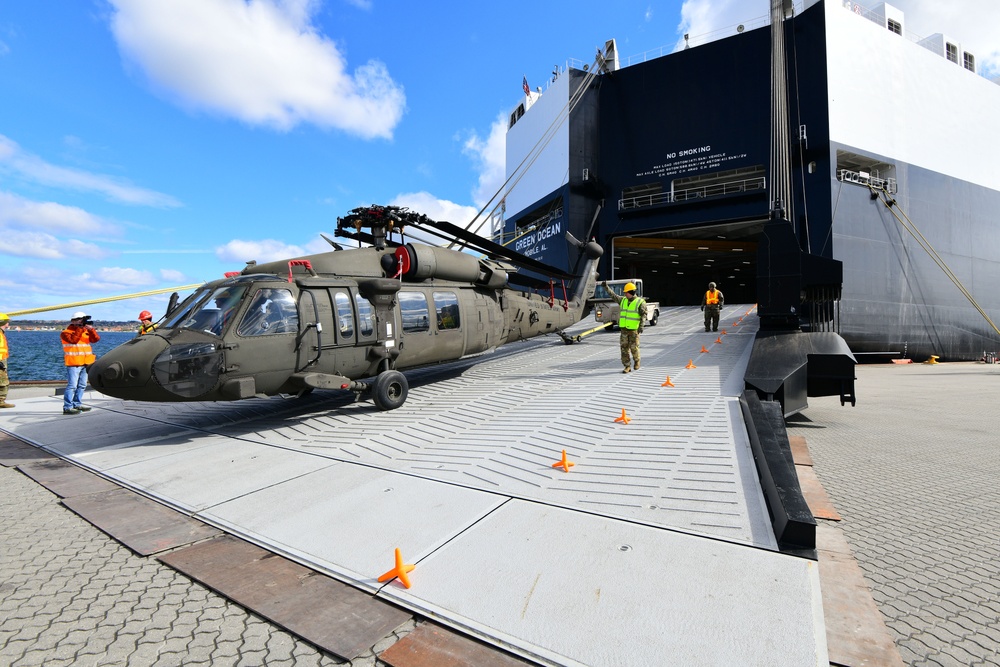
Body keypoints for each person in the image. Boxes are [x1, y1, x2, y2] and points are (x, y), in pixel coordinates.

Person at [61, 311, 100, 415]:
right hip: (74, 363)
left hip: (86, 362)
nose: (81, 322)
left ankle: (77, 403)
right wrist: (80, 328)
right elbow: (73, 340)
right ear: (73, 321)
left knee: (82, 385)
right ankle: (67, 407)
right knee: (72, 385)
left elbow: (96, 339)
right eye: (80, 319)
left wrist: (91, 330)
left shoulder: (85, 331)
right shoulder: (65, 332)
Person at [616, 282, 647, 373]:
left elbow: (643, 315)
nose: (625, 294)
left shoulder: (640, 302)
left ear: (632, 292)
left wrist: (641, 326)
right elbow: (614, 296)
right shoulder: (623, 300)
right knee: (624, 349)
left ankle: (637, 361)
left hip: (633, 330)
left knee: (634, 348)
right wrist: (606, 288)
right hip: (624, 330)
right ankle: (627, 366)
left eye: (626, 292)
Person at [0, 313, 13, 408]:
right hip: (0, 361)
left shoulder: (1, 333)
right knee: (3, 382)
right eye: (7, 323)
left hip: (2, 360)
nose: (8, 325)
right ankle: (1, 401)